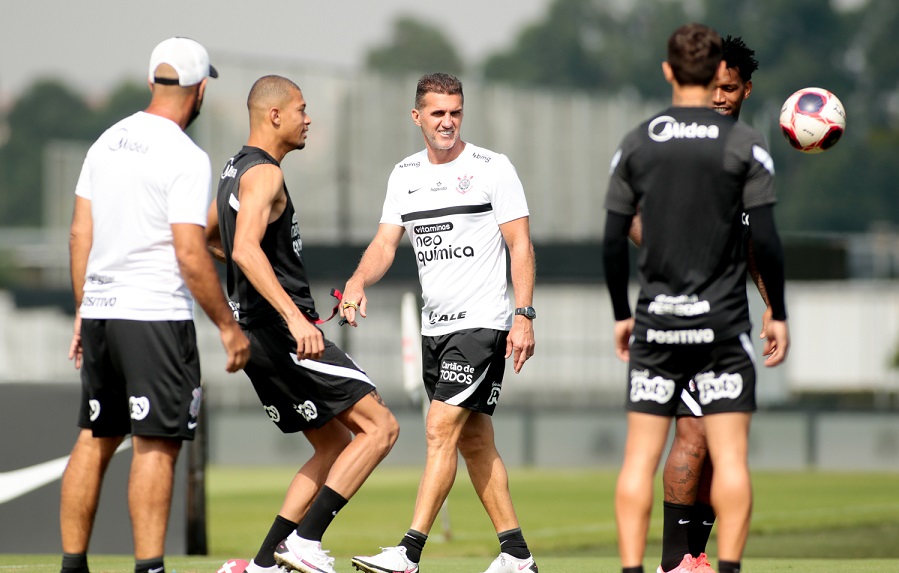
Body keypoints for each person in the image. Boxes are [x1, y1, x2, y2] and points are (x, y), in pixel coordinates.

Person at [602, 23, 789, 573]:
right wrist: (778, 308)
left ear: (667, 72)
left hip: (658, 320)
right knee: (720, 448)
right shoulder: (745, 145)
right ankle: (696, 564)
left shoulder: (639, 141)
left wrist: (621, 313)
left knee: (646, 455)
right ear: (703, 76)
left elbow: (614, 236)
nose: (719, 95)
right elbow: (769, 242)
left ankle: (660, 565)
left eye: (730, 87)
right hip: (720, 323)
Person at [61, 37, 250, 573]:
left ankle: (72, 565)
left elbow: (80, 235)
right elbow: (191, 253)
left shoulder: (106, 142)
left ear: (152, 82)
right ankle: (150, 569)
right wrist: (228, 326)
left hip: (100, 309)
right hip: (154, 315)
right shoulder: (186, 155)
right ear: (200, 89)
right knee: (157, 444)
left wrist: (84, 307)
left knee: (95, 437)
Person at [343, 72, 538, 573]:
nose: (447, 121)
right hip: (436, 328)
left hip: (482, 323)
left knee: (438, 430)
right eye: (437, 113)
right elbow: (386, 243)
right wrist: (360, 280)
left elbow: (520, 244)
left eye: (455, 112)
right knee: (474, 441)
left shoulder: (493, 168)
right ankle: (517, 555)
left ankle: (408, 551)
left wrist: (523, 315)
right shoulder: (404, 173)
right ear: (417, 117)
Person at [205, 75, 399, 573]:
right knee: (381, 428)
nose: (308, 118)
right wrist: (295, 317)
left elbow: (212, 237)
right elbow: (244, 247)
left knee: (333, 443)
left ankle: (266, 563)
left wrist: (253, 279)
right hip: (281, 332)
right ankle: (305, 542)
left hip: (258, 333)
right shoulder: (265, 174)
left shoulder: (234, 169)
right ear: (274, 116)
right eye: (301, 109)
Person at [649, 35, 767, 573]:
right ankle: (677, 560)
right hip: (687, 315)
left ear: (746, 89)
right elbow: (634, 219)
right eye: (712, 86)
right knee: (694, 433)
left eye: (730, 88)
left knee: (721, 442)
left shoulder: (746, 150)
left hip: (729, 318)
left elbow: (754, 245)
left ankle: (692, 557)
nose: (720, 97)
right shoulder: (677, 144)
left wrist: (773, 310)